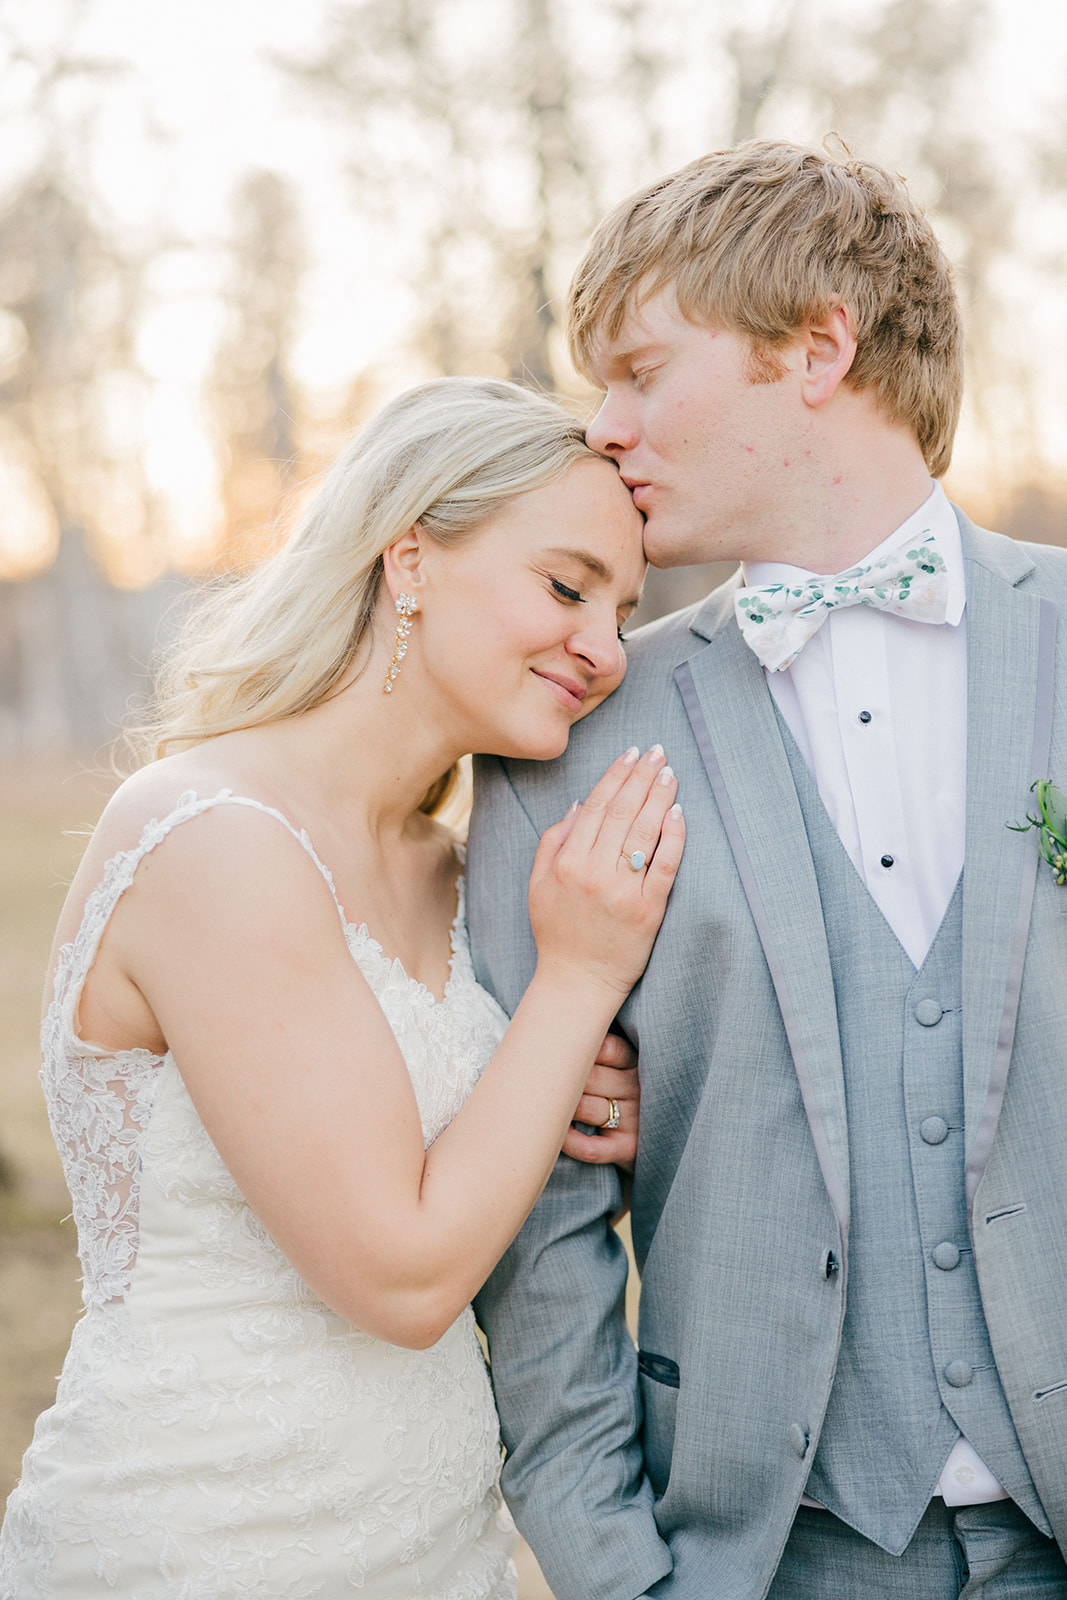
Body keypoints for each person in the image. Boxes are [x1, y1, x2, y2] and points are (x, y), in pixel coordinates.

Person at [469, 142, 1067, 1599]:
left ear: (815, 348)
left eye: (637, 371)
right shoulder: (566, 730)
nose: (599, 428)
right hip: (758, 1556)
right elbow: (538, 1246)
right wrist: (622, 1575)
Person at [0, 376, 687, 1598]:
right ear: (408, 558)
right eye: (566, 584)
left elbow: (477, 1148)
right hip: (205, 1548)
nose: (603, 644)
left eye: (622, 608)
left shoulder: (455, 871)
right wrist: (576, 982)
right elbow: (404, 1272)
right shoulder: (213, 836)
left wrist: (597, 1110)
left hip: (435, 1552)